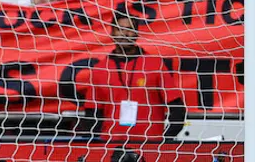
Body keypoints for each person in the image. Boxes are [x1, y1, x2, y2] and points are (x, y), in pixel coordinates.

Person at [79, 12, 187, 141]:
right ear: (111, 33)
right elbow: (92, 114)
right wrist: (95, 145)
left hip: (150, 145)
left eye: (129, 29)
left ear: (136, 33)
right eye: (119, 29)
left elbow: (177, 108)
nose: (124, 34)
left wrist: (164, 139)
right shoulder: (100, 69)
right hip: (110, 145)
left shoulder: (155, 65)